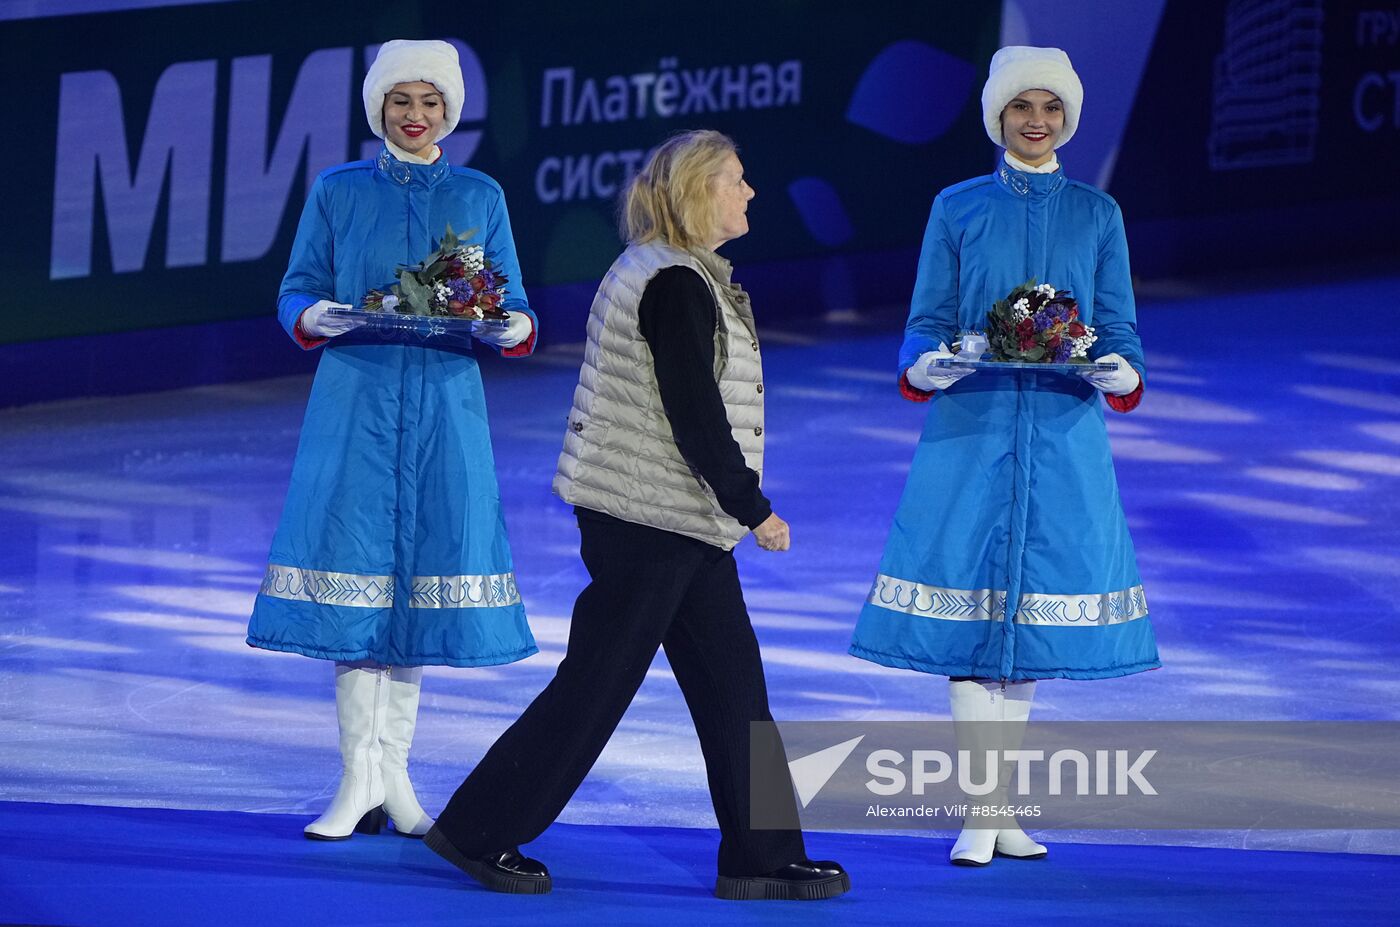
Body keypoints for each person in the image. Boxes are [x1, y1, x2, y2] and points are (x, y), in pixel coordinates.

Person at [422, 130, 849, 900]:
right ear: (697, 192)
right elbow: (694, 413)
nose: (750, 192)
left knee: (733, 688)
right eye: (736, 179)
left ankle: (760, 852)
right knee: (596, 685)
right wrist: (752, 507)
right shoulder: (674, 284)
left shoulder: (670, 270)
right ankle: (478, 828)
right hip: (647, 518)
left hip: (675, 516)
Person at [848, 46, 1160, 866]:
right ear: (996, 115)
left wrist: (1118, 368)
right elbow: (925, 320)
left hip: (1061, 439)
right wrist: (929, 363)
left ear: (1068, 118)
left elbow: (1121, 329)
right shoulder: (957, 206)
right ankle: (980, 812)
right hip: (971, 432)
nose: (1036, 120)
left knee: (1026, 623)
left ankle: (1000, 810)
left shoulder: (1098, 215)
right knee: (969, 618)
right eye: (1022, 106)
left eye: (1051, 108)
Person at [245, 39, 539, 842]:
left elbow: (511, 296)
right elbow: (296, 286)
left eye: (432, 103)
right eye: (403, 102)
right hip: (357, 408)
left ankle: (396, 776)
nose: (417, 117)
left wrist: (513, 322)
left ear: (451, 109)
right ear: (380, 108)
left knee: (416, 582)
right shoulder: (339, 190)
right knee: (358, 580)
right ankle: (355, 778)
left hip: (446, 411)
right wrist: (313, 315)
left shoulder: (480, 193)